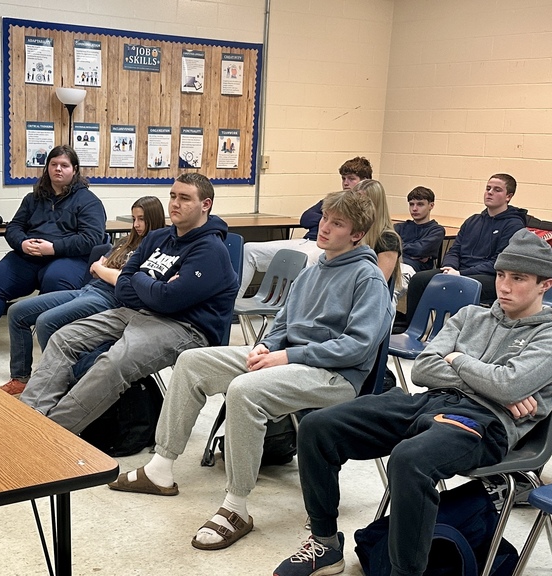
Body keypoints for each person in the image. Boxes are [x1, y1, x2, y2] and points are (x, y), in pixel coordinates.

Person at [109, 189, 391, 552]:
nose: (324, 228)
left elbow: (358, 346)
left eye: (337, 224)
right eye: (324, 218)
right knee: (193, 361)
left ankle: (236, 506)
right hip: (291, 358)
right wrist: (267, 346)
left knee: (245, 389)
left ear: (356, 234)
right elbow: (282, 323)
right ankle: (161, 468)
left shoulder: (367, 278)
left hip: (336, 376)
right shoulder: (313, 269)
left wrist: (289, 357)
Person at [274, 228, 552, 576]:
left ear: (545, 284)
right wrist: (489, 380)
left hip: (485, 422)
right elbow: (423, 368)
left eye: (519, 278)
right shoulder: (471, 316)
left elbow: (508, 385)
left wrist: (458, 361)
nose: (505, 286)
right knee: (318, 426)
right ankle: (325, 545)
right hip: (430, 401)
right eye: (500, 275)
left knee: (409, 460)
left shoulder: (548, 333)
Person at [19, 173, 238, 433]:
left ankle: (52, 433)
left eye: (185, 198)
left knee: (113, 363)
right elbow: (123, 287)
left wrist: (142, 281)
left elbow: (167, 301)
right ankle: (29, 418)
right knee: (63, 338)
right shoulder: (158, 238)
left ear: (206, 205)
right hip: (136, 311)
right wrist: (153, 287)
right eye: (172, 196)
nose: (175, 204)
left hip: (185, 327)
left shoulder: (211, 251)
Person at [0, 195, 166, 395]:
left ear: (154, 219)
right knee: (17, 312)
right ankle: (20, 378)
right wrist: (104, 269)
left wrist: (104, 269)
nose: (137, 224)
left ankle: (58, 382)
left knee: (46, 322)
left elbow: (124, 281)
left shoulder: (156, 248)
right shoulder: (127, 240)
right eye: (133, 219)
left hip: (111, 299)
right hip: (90, 289)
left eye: (142, 219)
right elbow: (98, 269)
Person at [0, 145, 106, 360]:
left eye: (64, 165)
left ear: (75, 170)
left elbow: (91, 239)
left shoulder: (89, 202)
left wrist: (53, 248)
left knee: (56, 280)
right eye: (53, 164)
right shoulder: (33, 198)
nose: (58, 169)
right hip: (28, 257)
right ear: (47, 168)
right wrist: (22, 243)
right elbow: (13, 228)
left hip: (67, 259)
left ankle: (55, 348)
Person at [237, 156, 372, 298]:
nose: (345, 183)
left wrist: (326, 221)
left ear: (365, 181)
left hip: (326, 247)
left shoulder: (364, 207)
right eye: (343, 178)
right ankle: (233, 305)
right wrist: (327, 221)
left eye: (351, 179)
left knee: (304, 259)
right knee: (249, 249)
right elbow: (305, 218)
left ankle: (290, 309)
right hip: (307, 241)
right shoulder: (335, 200)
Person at [402, 174, 527, 325]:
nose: (490, 192)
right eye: (488, 188)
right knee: (419, 280)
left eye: (497, 189)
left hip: (488, 275)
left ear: (508, 196)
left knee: (461, 285)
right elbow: (455, 249)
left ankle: (452, 332)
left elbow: (498, 262)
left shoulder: (514, 225)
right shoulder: (472, 221)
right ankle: (413, 327)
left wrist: (460, 274)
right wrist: (450, 267)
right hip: (459, 270)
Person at [352, 179, 404, 294]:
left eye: (361, 201)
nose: (354, 206)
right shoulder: (353, 232)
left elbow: (376, 286)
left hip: (369, 300)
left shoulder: (388, 239)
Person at [395, 186, 445, 284]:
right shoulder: (399, 227)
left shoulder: (436, 230)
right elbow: (386, 245)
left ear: (431, 205)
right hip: (395, 265)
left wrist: (399, 249)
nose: (414, 209)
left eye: (420, 204)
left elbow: (420, 249)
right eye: (411, 204)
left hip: (416, 273)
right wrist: (413, 254)